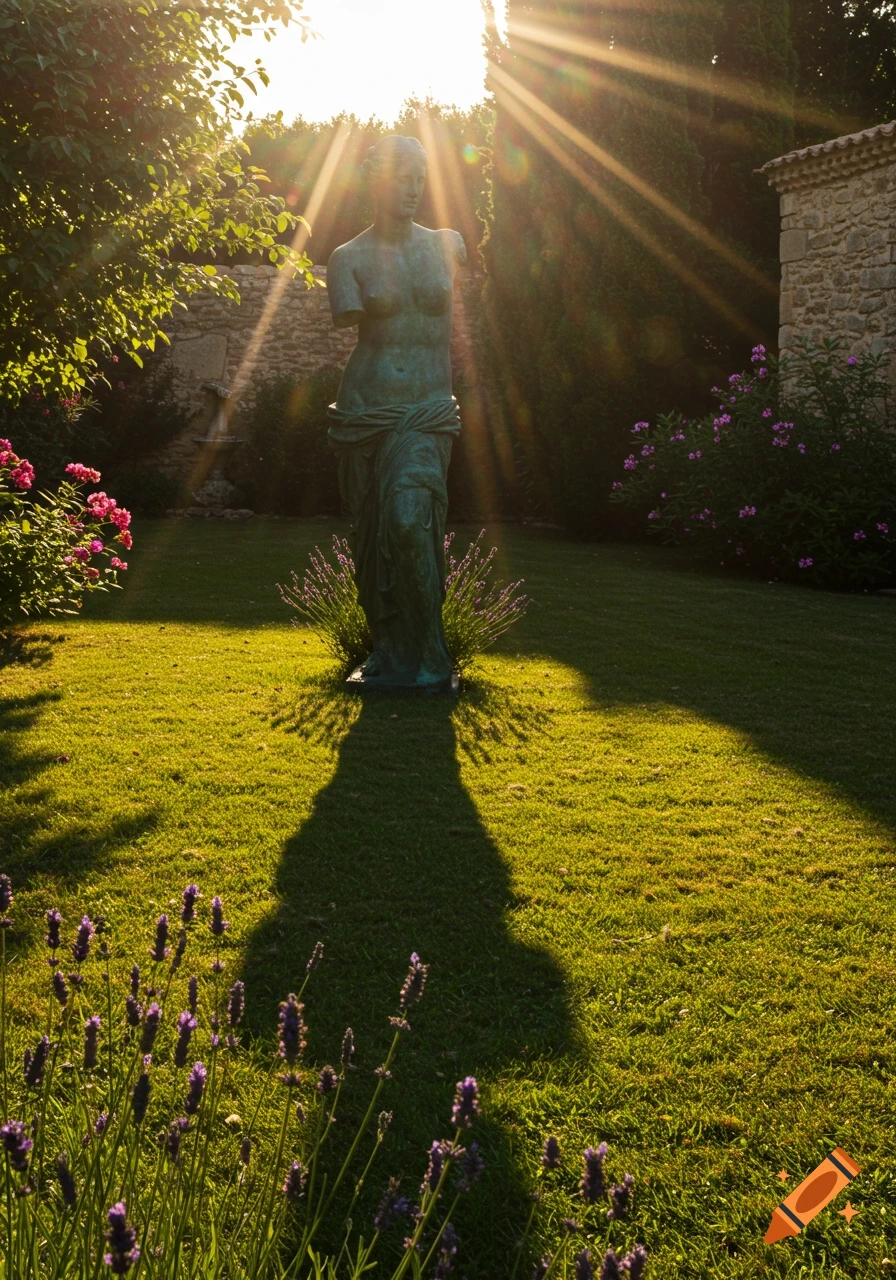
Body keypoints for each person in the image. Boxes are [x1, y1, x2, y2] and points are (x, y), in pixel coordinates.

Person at [327, 135, 466, 691]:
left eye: (419, 178)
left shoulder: (446, 244)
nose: (411, 189)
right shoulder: (348, 258)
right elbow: (351, 324)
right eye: (400, 177)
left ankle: (432, 652)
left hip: (427, 411)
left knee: (410, 521)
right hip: (365, 412)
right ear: (374, 180)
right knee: (372, 534)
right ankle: (387, 648)